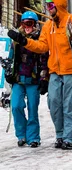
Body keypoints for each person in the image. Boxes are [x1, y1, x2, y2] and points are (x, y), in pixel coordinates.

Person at [8, 0, 72, 150]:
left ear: (58, 5)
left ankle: (70, 138)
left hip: (71, 71)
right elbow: (42, 47)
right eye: (46, 5)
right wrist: (23, 41)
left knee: (70, 105)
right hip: (55, 71)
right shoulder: (48, 26)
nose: (47, 8)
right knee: (54, 104)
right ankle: (60, 135)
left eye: (50, 5)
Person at [7, 11, 49, 148]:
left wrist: (44, 78)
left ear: (35, 24)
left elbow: (44, 59)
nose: (27, 26)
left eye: (30, 23)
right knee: (16, 106)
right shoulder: (17, 38)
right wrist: (9, 72)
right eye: (24, 23)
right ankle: (21, 134)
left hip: (33, 78)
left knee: (32, 108)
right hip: (18, 78)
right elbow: (11, 57)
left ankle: (33, 137)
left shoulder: (40, 39)